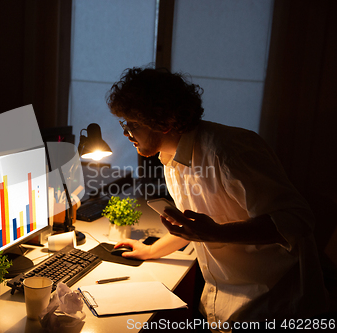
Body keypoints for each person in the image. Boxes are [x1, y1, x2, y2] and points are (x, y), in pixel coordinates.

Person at [107, 67, 329, 328]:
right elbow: (196, 226)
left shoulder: (229, 151)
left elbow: (296, 221)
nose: (125, 133)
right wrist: (152, 250)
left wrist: (213, 234)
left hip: (273, 305)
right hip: (225, 305)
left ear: (164, 122)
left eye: (133, 124)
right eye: (124, 123)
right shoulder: (171, 160)